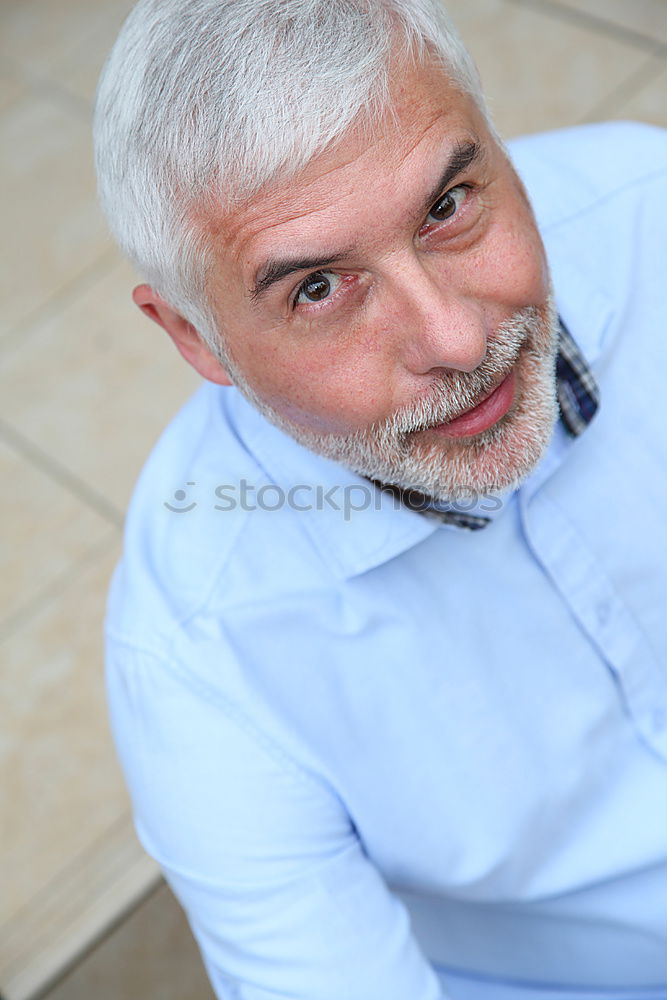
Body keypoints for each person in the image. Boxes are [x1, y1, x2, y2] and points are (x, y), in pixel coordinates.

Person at [94, 0, 667, 997]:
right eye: (318, 288)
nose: (451, 337)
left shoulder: (649, 210)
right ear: (193, 336)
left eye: (446, 206)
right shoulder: (200, 659)